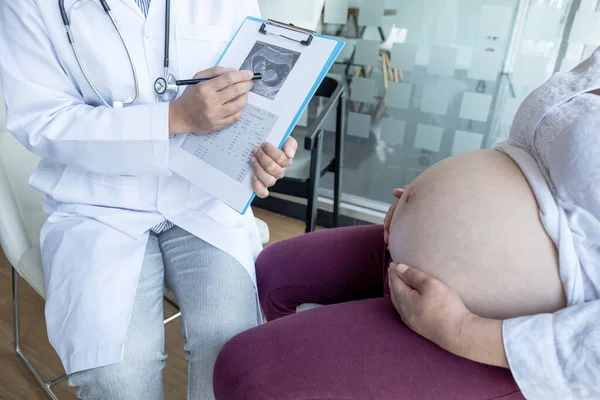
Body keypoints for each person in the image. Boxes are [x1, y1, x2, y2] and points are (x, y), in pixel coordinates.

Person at [212, 49, 600, 399]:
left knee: (246, 372)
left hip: (503, 331)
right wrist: (428, 196)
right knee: (275, 271)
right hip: (421, 255)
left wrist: (460, 330)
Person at [0, 1, 297, 399]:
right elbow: (41, 120)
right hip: (97, 203)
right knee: (117, 374)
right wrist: (173, 119)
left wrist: (267, 149)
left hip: (202, 196)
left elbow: (253, 91)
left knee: (232, 350)